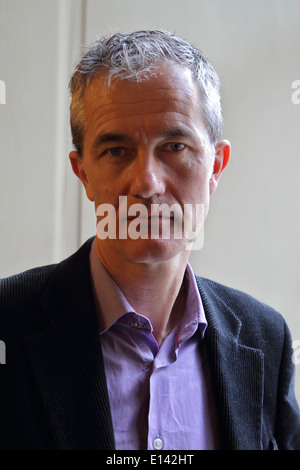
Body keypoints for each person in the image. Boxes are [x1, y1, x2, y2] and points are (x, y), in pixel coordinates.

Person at [0, 30, 299, 451]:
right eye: (116, 150)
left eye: (174, 146)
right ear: (83, 172)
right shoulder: (7, 324)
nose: (147, 183)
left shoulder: (266, 338)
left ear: (216, 166)